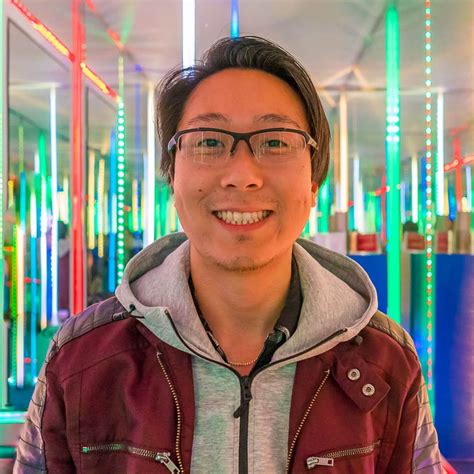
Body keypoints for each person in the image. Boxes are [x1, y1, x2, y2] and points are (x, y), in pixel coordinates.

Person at [15, 36, 442, 473]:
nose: (241, 175)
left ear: (314, 181)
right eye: (209, 142)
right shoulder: (83, 358)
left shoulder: (384, 359)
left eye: (275, 142)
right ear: (172, 176)